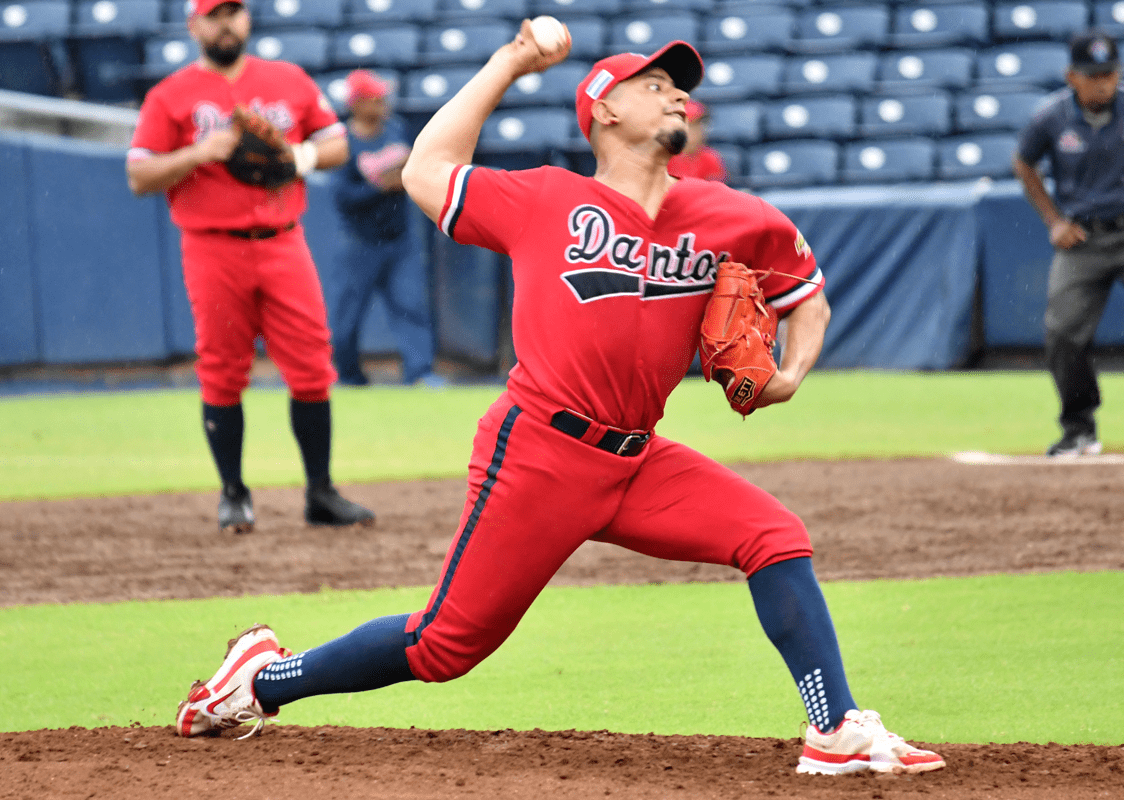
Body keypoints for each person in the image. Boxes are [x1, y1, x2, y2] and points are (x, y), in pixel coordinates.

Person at [172, 26, 945, 777]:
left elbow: (807, 296)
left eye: (680, 86)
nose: (676, 94)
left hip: (638, 460)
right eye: (655, 84)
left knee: (774, 535)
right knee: (444, 647)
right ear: (604, 109)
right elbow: (423, 169)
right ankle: (260, 682)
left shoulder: (731, 215)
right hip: (539, 453)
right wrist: (510, 63)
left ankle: (834, 727)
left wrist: (791, 373)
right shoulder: (543, 199)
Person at [125, 0, 375, 532]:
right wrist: (199, 152)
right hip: (212, 246)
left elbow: (335, 142)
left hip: (284, 239)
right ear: (194, 25)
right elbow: (139, 175)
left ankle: (320, 492)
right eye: (214, 14)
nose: (225, 23)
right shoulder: (169, 96)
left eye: (234, 12)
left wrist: (296, 157)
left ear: (248, 20)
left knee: (311, 367)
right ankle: (234, 493)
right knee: (222, 369)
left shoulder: (287, 78)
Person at [1012, 30, 1124, 457]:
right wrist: (1053, 220)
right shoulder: (1051, 117)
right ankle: (1079, 428)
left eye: (1109, 75)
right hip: (1083, 241)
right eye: (1093, 76)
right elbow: (1024, 164)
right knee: (1062, 334)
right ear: (1071, 76)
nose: (1103, 84)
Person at [329, 69, 445, 387]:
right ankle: (349, 377)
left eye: (382, 96)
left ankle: (420, 374)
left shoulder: (396, 129)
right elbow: (343, 197)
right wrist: (381, 187)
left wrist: (404, 179)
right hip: (359, 242)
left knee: (411, 307)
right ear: (357, 103)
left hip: (399, 239)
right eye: (374, 98)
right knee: (347, 318)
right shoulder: (342, 140)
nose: (382, 102)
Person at [666, 99, 728, 182]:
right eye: (688, 125)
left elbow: (715, 192)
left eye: (697, 124)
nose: (693, 131)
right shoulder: (664, 159)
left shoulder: (711, 158)